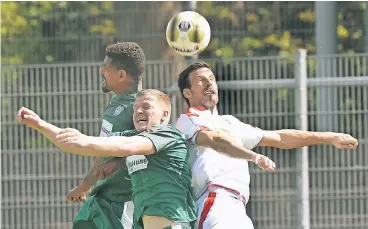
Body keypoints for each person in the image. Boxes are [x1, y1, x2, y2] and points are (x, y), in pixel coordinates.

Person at [175, 61, 359, 229]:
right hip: (215, 200)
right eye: (201, 80)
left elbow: (279, 137)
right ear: (187, 93)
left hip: (237, 207)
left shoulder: (229, 122)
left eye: (212, 79)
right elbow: (216, 141)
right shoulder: (187, 120)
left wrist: (328, 137)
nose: (209, 83)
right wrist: (253, 156)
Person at [17, 42, 146, 229]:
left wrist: (119, 163)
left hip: (125, 205)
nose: (101, 70)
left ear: (121, 75)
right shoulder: (117, 103)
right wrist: (86, 184)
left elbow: (152, 151)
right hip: (102, 200)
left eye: (106, 67)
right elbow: (102, 152)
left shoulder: (143, 109)